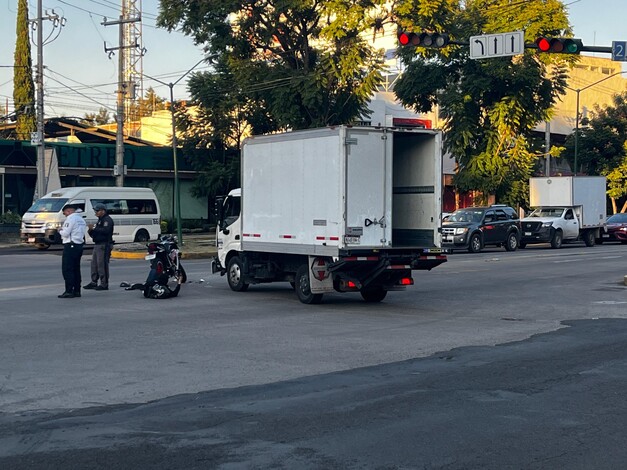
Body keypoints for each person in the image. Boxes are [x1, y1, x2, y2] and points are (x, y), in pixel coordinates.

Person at [58, 204, 87, 298]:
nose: (65, 215)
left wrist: (59, 230)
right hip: (79, 245)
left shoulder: (70, 219)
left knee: (68, 269)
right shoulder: (81, 219)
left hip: (70, 245)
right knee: (76, 269)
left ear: (69, 211)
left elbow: (66, 233)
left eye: (65, 213)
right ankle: (77, 290)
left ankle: (69, 290)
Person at [84, 203, 114, 291]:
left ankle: (104, 284)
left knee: (102, 265)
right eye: (95, 211)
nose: (96, 212)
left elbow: (105, 231)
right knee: (94, 264)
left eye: (97, 211)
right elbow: (95, 234)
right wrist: (90, 230)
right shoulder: (100, 220)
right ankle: (94, 281)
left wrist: (94, 229)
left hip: (104, 244)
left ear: (103, 211)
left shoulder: (107, 220)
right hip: (97, 244)